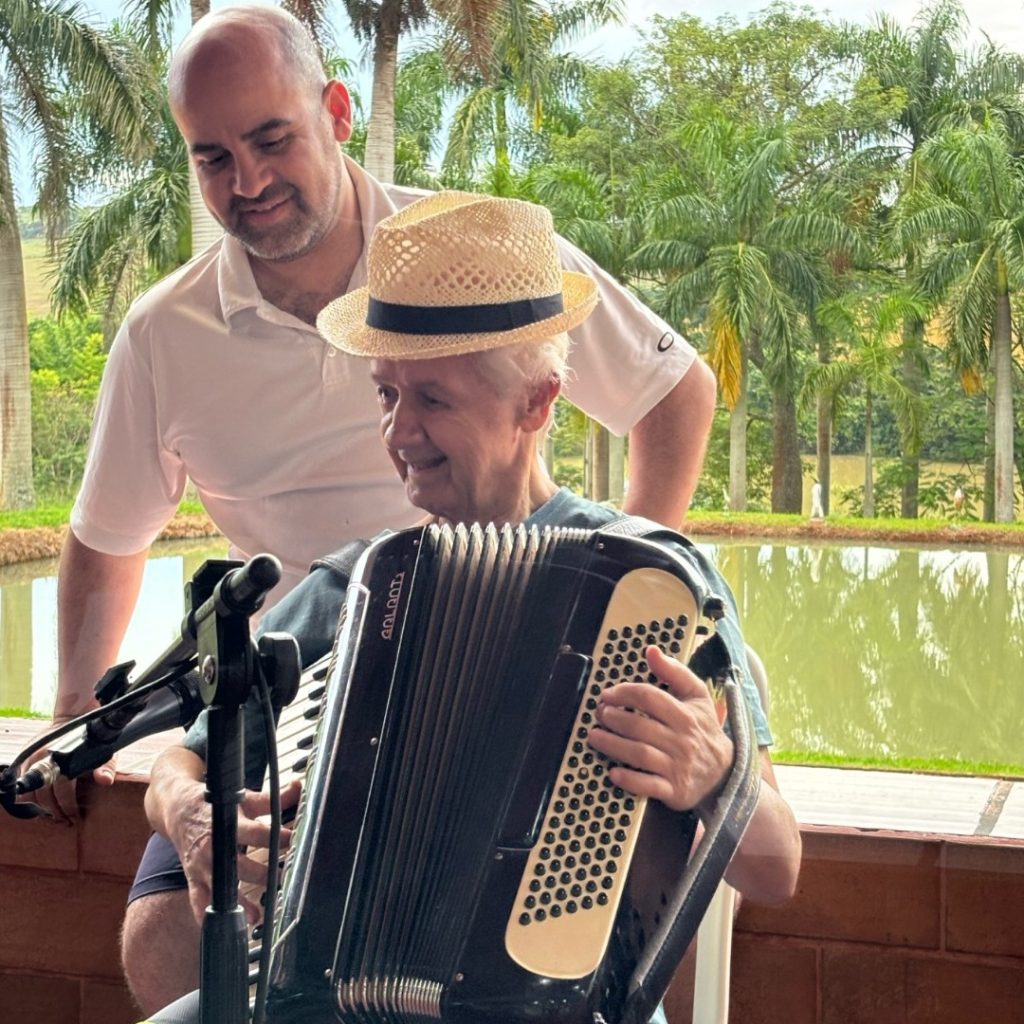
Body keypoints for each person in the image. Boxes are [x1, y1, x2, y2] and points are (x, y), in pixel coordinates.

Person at [125, 191, 801, 1018]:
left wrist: (716, 773)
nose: (399, 433)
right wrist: (194, 820)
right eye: (386, 395)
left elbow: (777, 867)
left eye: (433, 400)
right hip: (338, 997)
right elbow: (181, 760)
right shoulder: (358, 587)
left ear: (537, 404)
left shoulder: (654, 587)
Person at [37, 2, 716, 824]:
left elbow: (674, 388)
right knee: (168, 928)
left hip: (495, 660)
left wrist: (618, 605)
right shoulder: (161, 334)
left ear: (336, 113)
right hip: (290, 689)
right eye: (213, 157)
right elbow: (110, 535)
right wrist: (74, 721)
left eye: (272, 139)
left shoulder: (470, 260)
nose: (247, 182)